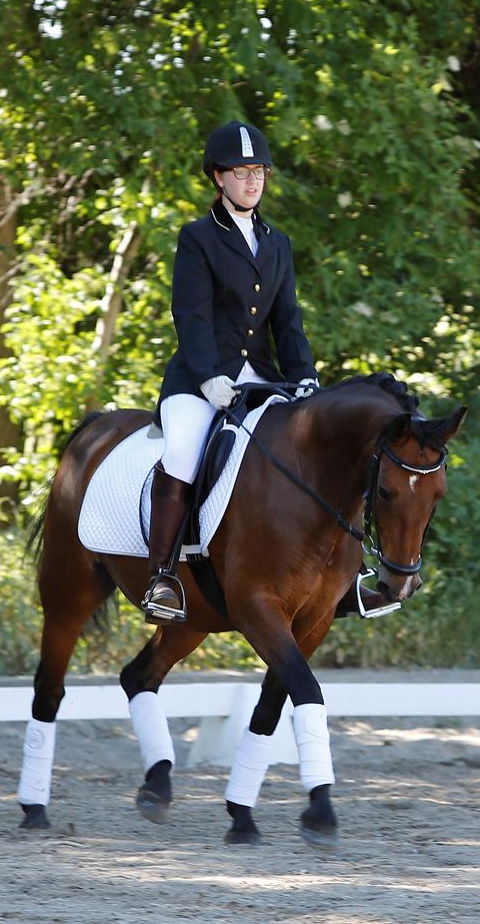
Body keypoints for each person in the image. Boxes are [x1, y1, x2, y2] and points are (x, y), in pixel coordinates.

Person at [142, 120, 319, 624]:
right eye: (242, 173)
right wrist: (206, 377)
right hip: (201, 380)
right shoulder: (197, 238)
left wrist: (303, 374)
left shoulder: (277, 242)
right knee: (181, 451)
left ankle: (326, 575)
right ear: (218, 178)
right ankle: (163, 576)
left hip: (261, 377)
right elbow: (190, 315)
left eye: (259, 171)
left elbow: (288, 320)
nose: (253, 180)